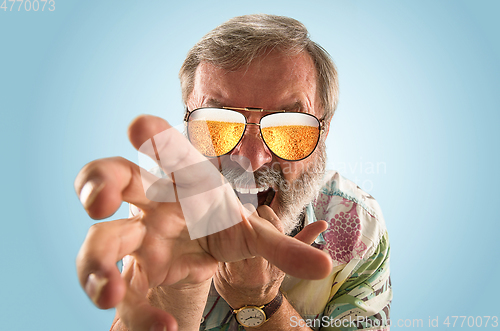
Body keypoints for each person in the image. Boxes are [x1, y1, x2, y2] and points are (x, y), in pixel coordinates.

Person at [75, 14, 392, 331]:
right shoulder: (162, 202)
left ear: (325, 130)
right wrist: (175, 295)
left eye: (290, 128)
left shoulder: (356, 224)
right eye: (218, 124)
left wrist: (261, 305)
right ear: (187, 122)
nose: (252, 160)